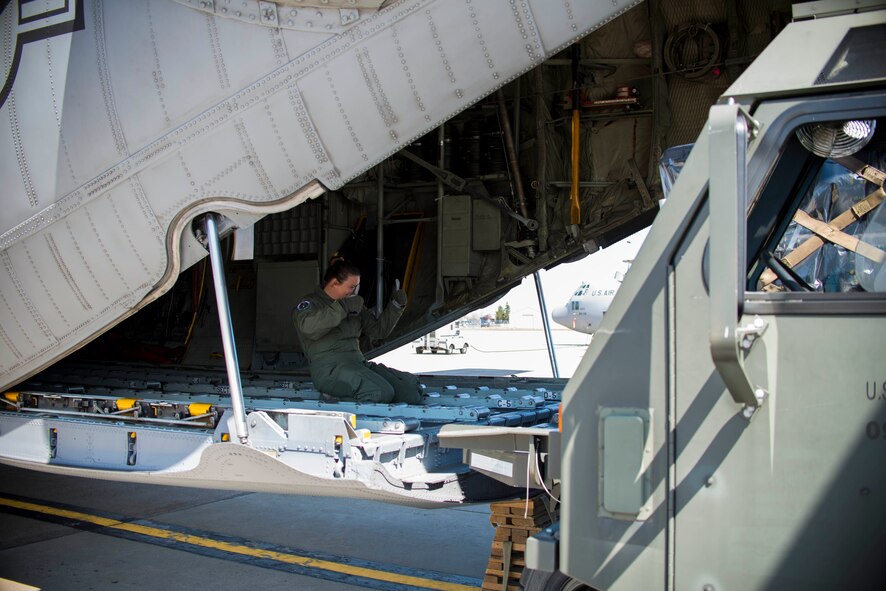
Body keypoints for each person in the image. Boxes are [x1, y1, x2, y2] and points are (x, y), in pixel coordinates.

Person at [292, 259, 423, 404]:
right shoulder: (311, 304)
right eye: (351, 287)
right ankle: (335, 399)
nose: (354, 292)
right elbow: (308, 328)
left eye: (356, 287)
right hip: (329, 371)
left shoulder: (353, 304)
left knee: (410, 393)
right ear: (334, 283)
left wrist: (395, 306)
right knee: (380, 392)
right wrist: (342, 307)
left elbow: (378, 331)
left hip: (357, 364)